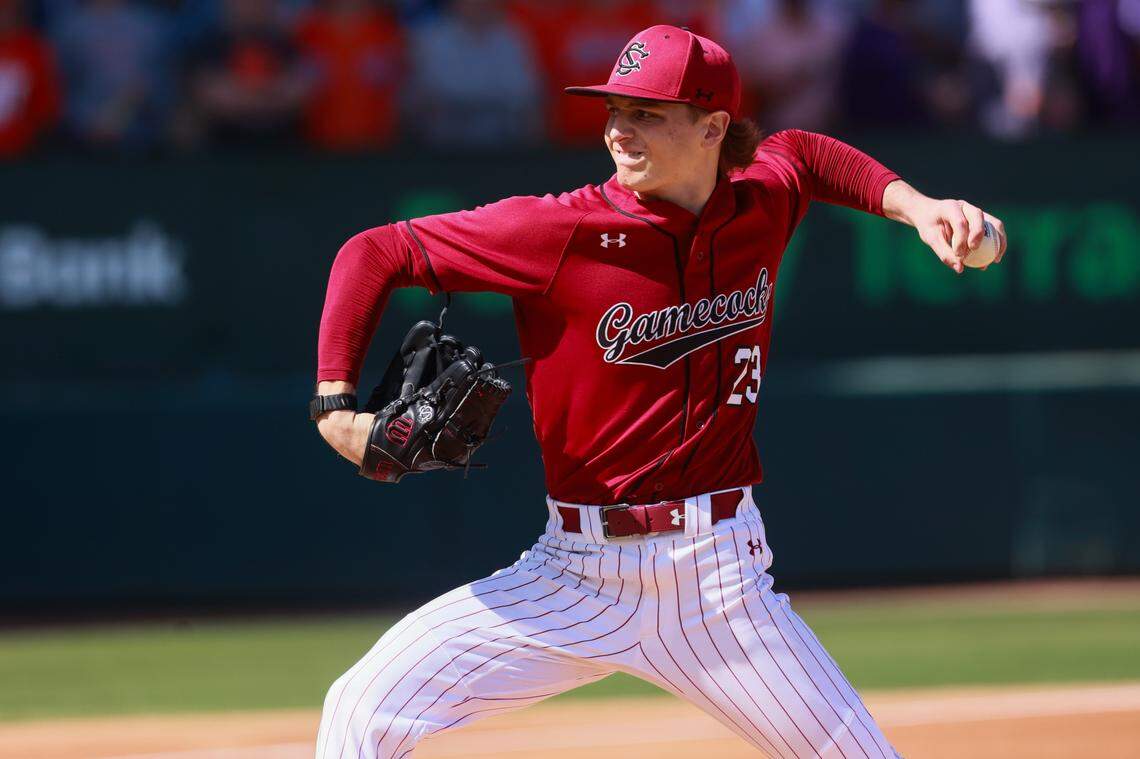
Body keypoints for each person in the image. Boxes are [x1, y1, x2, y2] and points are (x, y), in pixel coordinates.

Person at [311, 24, 1006, 759]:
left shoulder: (762, 200)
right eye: (615, 109)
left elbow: (806, 154)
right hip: (572, 575)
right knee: (361, 707)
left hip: (719, 585)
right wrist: (334, 403)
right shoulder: (562, 229)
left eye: (647, 112)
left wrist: (918, 205)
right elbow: (375, 251)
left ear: (712, 129)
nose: (619, 129)